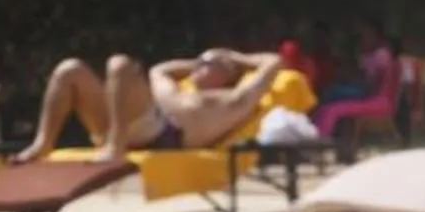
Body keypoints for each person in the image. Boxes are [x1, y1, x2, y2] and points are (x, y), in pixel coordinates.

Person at [17, 45, 282, 164]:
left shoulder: (231, 100)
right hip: (123, 124)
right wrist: (199, 61)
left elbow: (273, 62)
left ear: (228, 74)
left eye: (210, 65)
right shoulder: (171, 88)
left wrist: (234, 57)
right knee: (70, 69)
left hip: (161, 134)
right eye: (200, 63)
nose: (201, 67)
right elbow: (160, 68)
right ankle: (44, 142)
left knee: (119, 64)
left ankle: (115, 146)